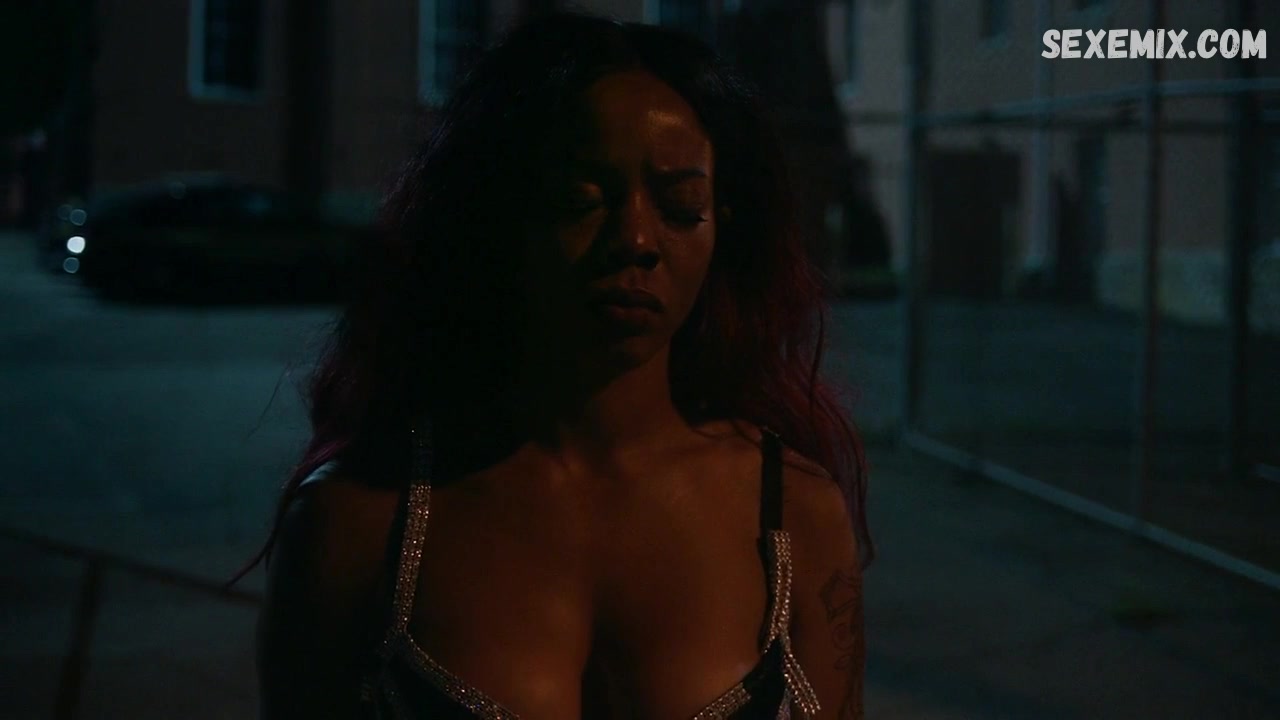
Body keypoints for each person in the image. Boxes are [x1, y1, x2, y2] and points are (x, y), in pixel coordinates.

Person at [253, 11, 873, 719]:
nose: (635, 239)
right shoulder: (360, 520)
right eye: (581, 199)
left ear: (723, 227)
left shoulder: (794, 515)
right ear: (499, 213)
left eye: (680, 208)